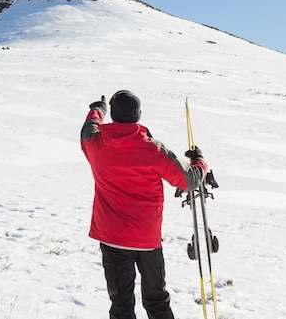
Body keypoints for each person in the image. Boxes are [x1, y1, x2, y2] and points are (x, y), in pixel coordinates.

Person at [80, 90, 208, 319]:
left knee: (121, 304)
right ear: (138, 116)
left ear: (114, 115)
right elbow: (188, 180)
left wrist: (98, 108)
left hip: (112, 238)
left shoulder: (95, 145)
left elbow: (88, 127)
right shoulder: (152, 149)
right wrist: (199, 162)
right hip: (146, 241)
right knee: (156, 301)